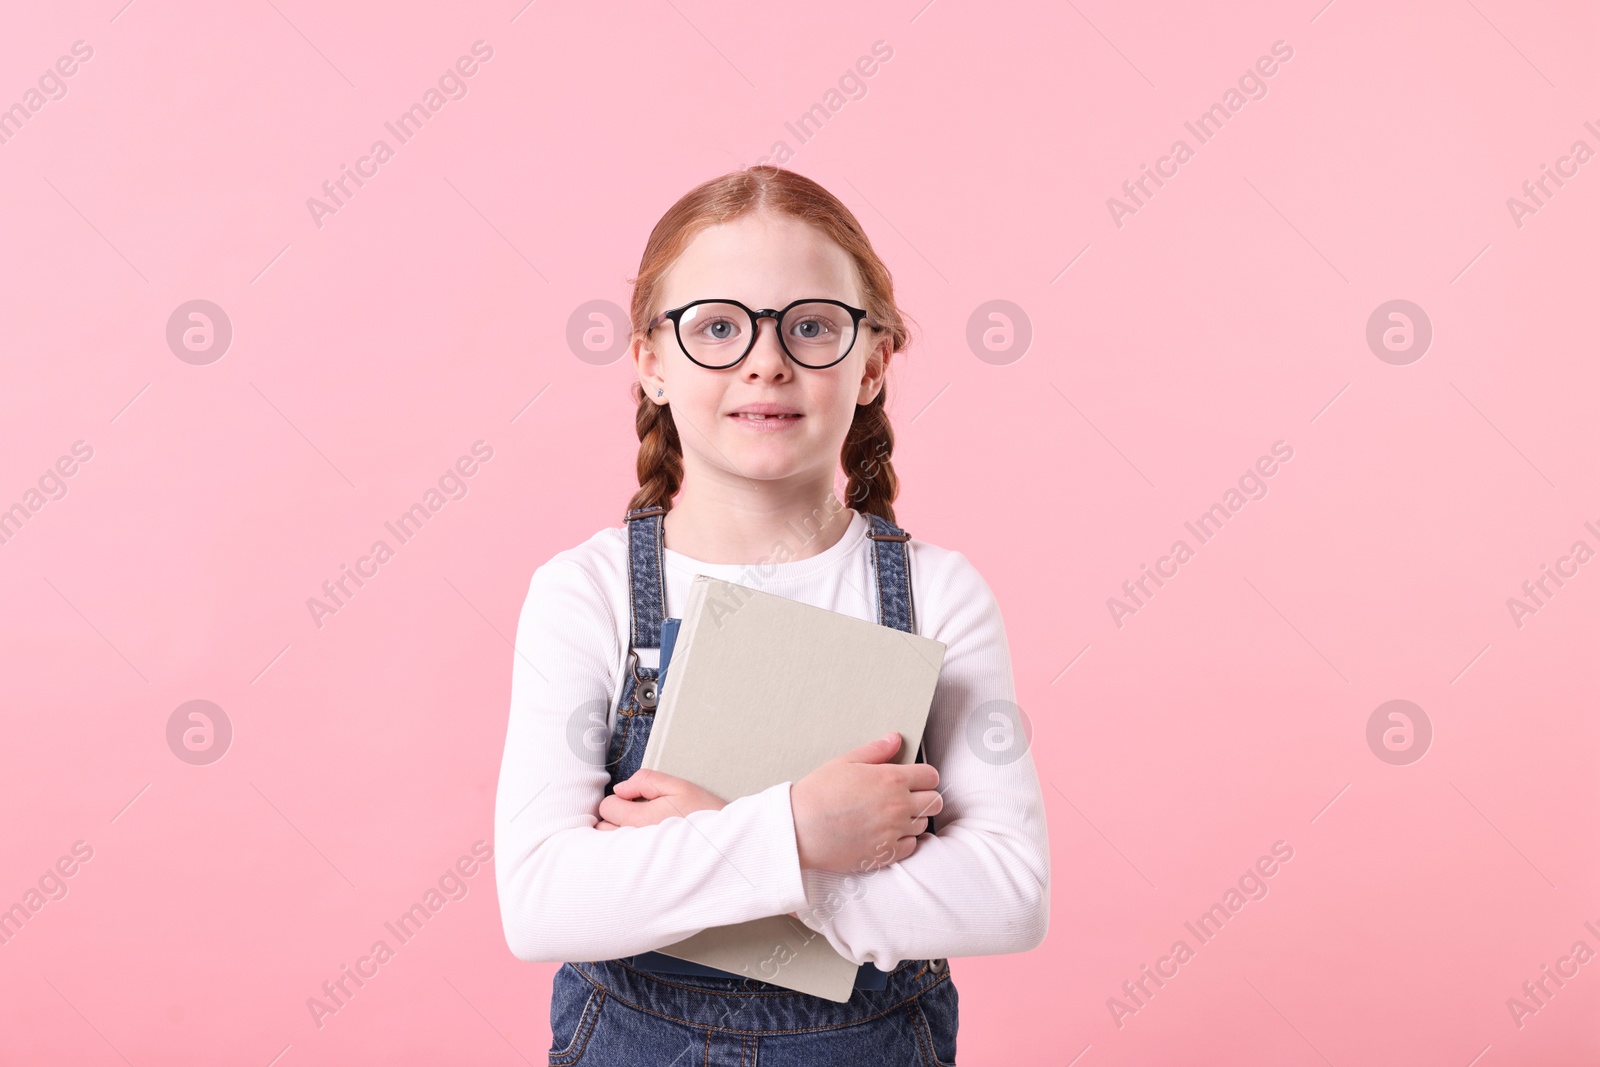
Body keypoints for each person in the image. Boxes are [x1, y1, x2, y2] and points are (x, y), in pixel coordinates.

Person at [493, 165, 1049, 1065]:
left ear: (871, 362)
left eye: (812, 326)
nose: (766, 360)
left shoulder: (940, 596)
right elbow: (544, 899)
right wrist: (799, 832)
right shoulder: (582, 594)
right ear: (651, 361)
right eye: (717, 326)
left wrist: (759, 853)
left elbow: (1008, 894)